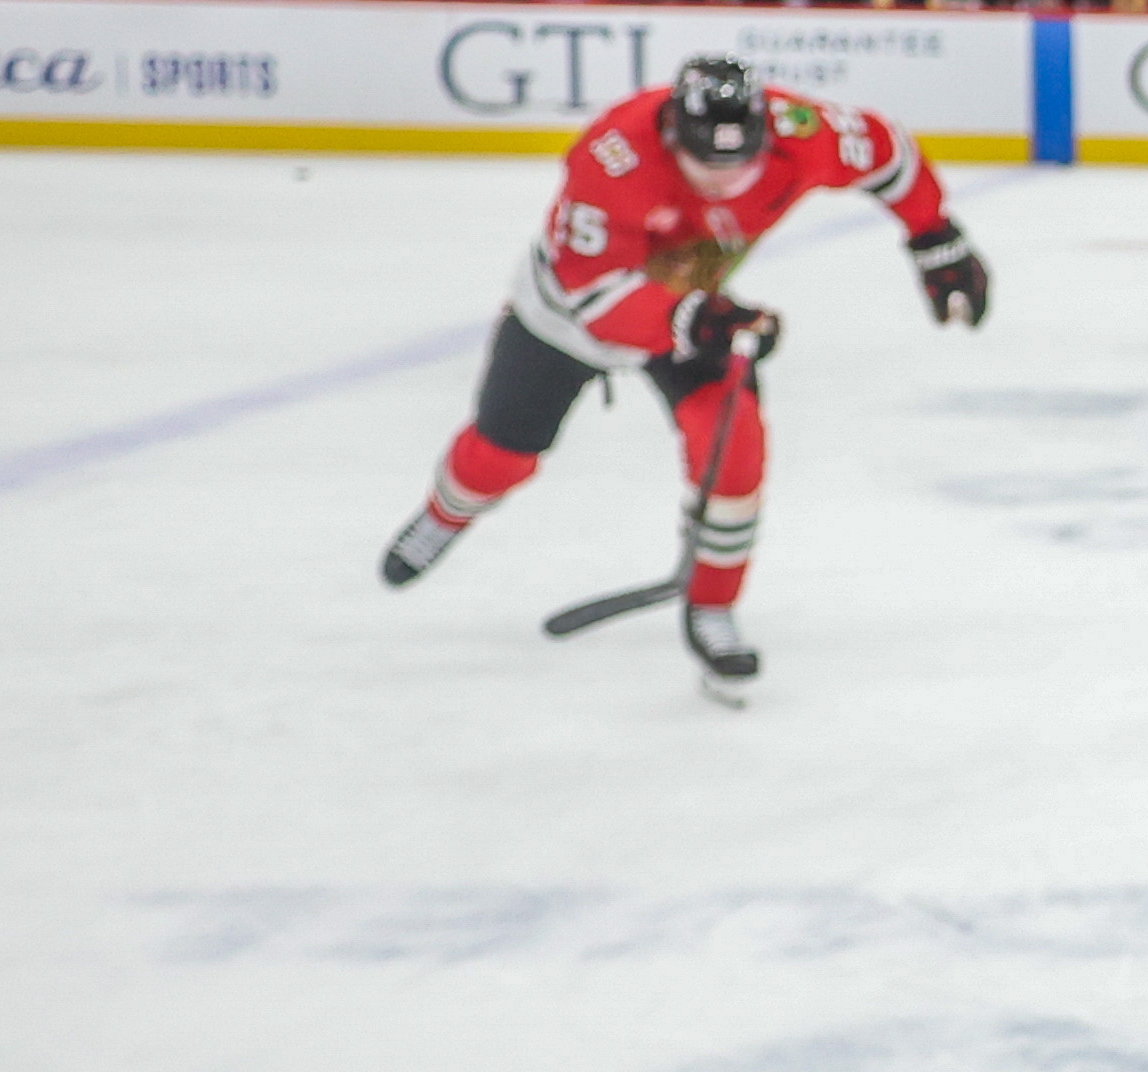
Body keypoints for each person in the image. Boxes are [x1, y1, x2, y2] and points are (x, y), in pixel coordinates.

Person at [376, 54, 989, 703]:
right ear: (671, 138)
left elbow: (888, 154)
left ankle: (714, 605)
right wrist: (698, 317)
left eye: (740, 163)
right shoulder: (613, 158)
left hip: (693, 310)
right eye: (707, 166)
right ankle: (447, 512)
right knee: (500, 458)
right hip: (569, 321)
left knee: (735, 450)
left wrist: (935, 237)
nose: (725, 182)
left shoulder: (801, 130)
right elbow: (593, 298)